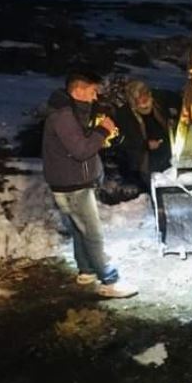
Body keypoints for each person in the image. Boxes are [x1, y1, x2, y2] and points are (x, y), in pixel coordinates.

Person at [42, 71, 138, 298]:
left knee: (79, 230)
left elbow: (79, 145)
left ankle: (86, 271)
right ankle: (110, 281)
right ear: (78, 91)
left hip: (69, 184)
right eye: (92, 92)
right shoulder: (64, 117)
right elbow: (81, 150)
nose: (95, 97)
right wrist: (103, 130)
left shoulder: (71, 113)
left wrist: (99, 138)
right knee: (93, 234)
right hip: (73, 188)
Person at [114, 80, 172, 191]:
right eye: (140, 96)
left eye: (146, 94)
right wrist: (145, 144)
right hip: (144, 163)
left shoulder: (158, 106)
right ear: (133, 99)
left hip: (167, 157)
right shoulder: (124, 114)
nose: (144, 99)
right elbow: (121, 141)